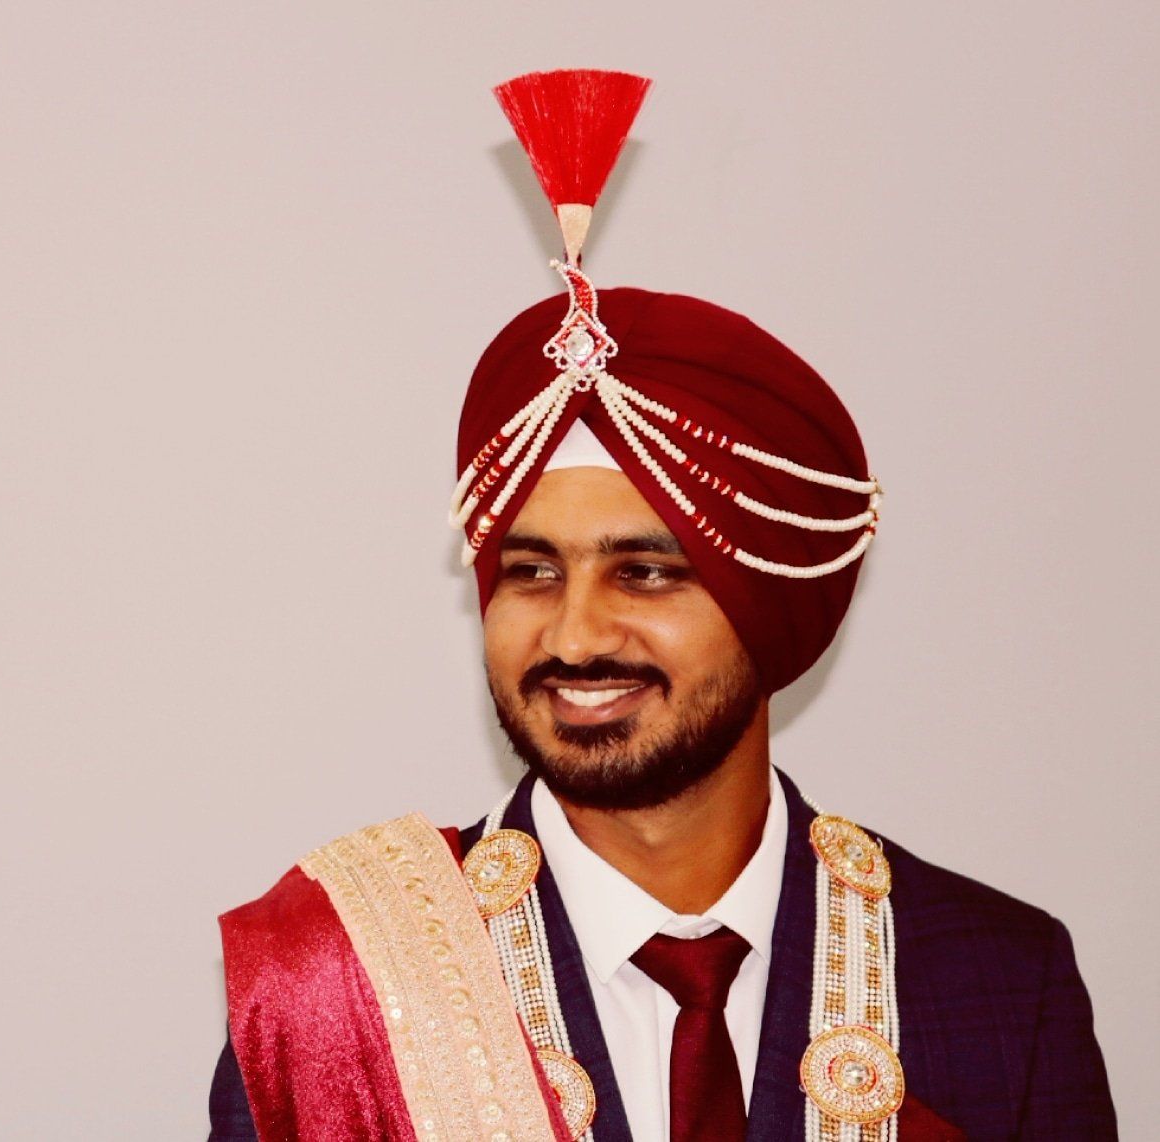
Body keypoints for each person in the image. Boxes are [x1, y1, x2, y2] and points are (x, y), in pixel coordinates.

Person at [208, 69, 1115, 1142]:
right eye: (531, 571)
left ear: (773, 604)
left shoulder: (995, 979)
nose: (575, 633)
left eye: (645, 571)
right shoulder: (340, 979)